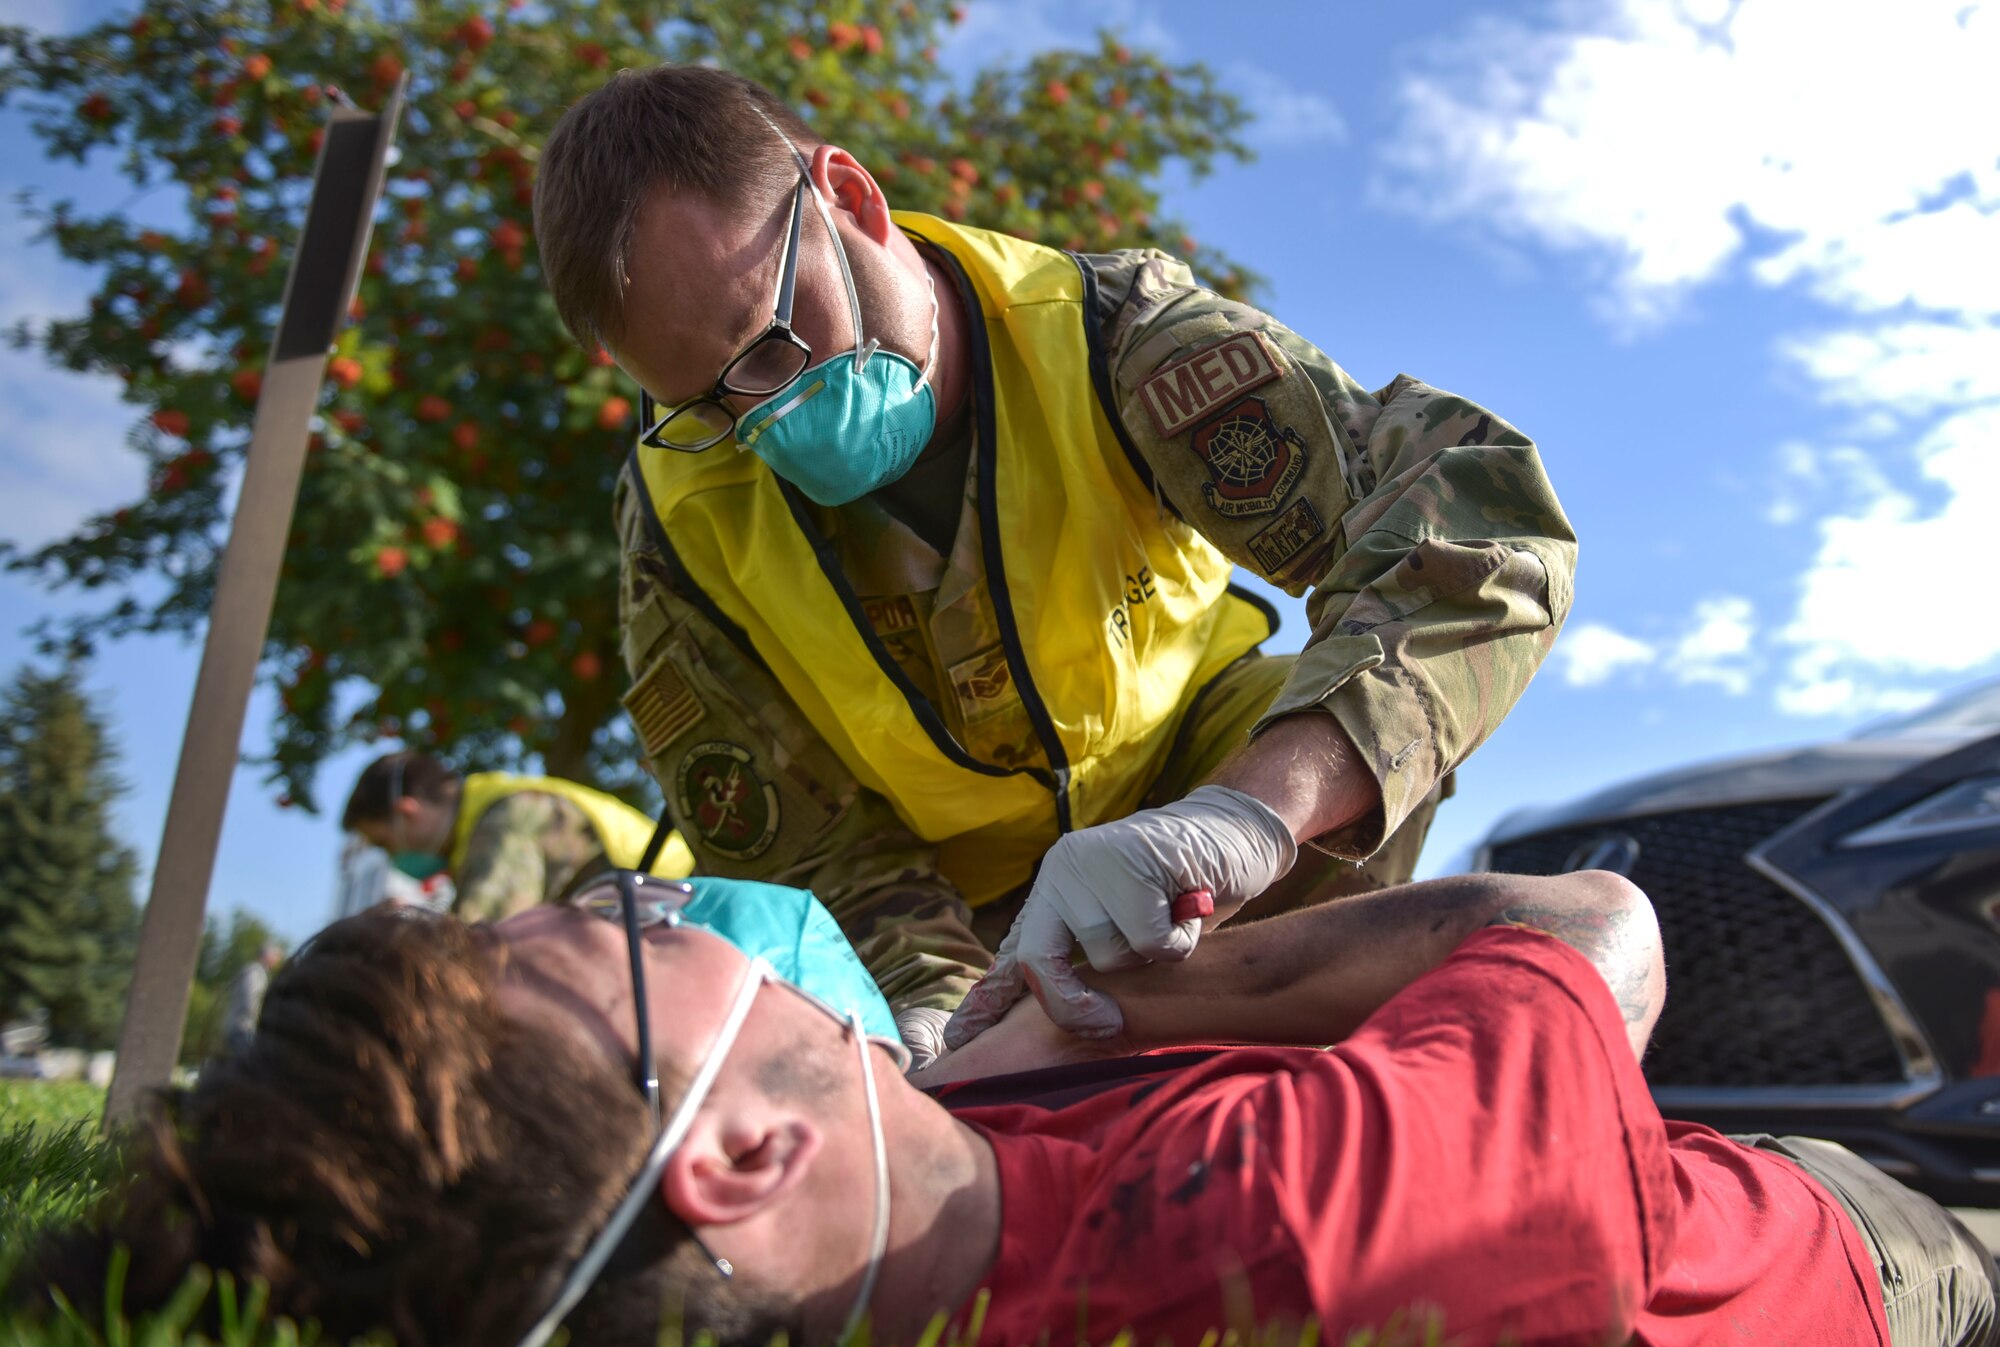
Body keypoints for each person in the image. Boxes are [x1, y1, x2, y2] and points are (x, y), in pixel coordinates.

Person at [530, 65, 1579, 1052]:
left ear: (849, 196)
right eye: (707, 405)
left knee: (1356, 736)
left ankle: (1281, 1074)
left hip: (1201, 819)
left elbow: (1469, 519)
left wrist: (1246, 817)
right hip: (962, 923)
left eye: (769, 345)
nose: (767, 416)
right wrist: (938, 1014)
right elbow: (809, 851)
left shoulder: (1107, 337)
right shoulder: (677, 515)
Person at [21, 872, 1996, 1347]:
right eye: (614, 937)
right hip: (1851, 1253)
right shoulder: (1289, 1227)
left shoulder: (917, 1214)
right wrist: (1181, 972)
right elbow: (1599, 931)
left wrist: (957, 1068)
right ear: (730, 1150)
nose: (656, 895)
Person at [341, 749, 694, 921]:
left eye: (384, 844)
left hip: (697, 910)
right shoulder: (487, 813)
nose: (393, 859)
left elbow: (484, 945)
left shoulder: (505, 822)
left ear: (408, 812)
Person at [217, 942, 282, 1058]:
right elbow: (250, 1000)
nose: (277, 960)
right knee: (251, 1063)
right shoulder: (254, 972)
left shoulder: (257, 972)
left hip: (242, 1027)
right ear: (267, 956)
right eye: (276, 956)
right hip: (242, 1027)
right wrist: (261, 1021)